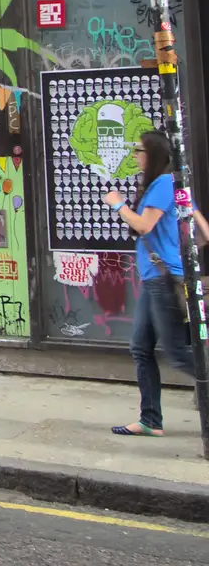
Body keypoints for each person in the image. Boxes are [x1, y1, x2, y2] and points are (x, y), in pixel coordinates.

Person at [102, 129, 207, 436]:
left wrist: (117, 204)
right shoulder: (174, 185)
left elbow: (144, 226)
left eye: (139, 150)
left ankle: (152, 419)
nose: (135, 155)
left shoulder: (162, 184)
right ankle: (150, 420)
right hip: (157, 279)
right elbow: (203, 234)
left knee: (177, 352)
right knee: (141, 347)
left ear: (153, 155)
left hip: (163, 280)